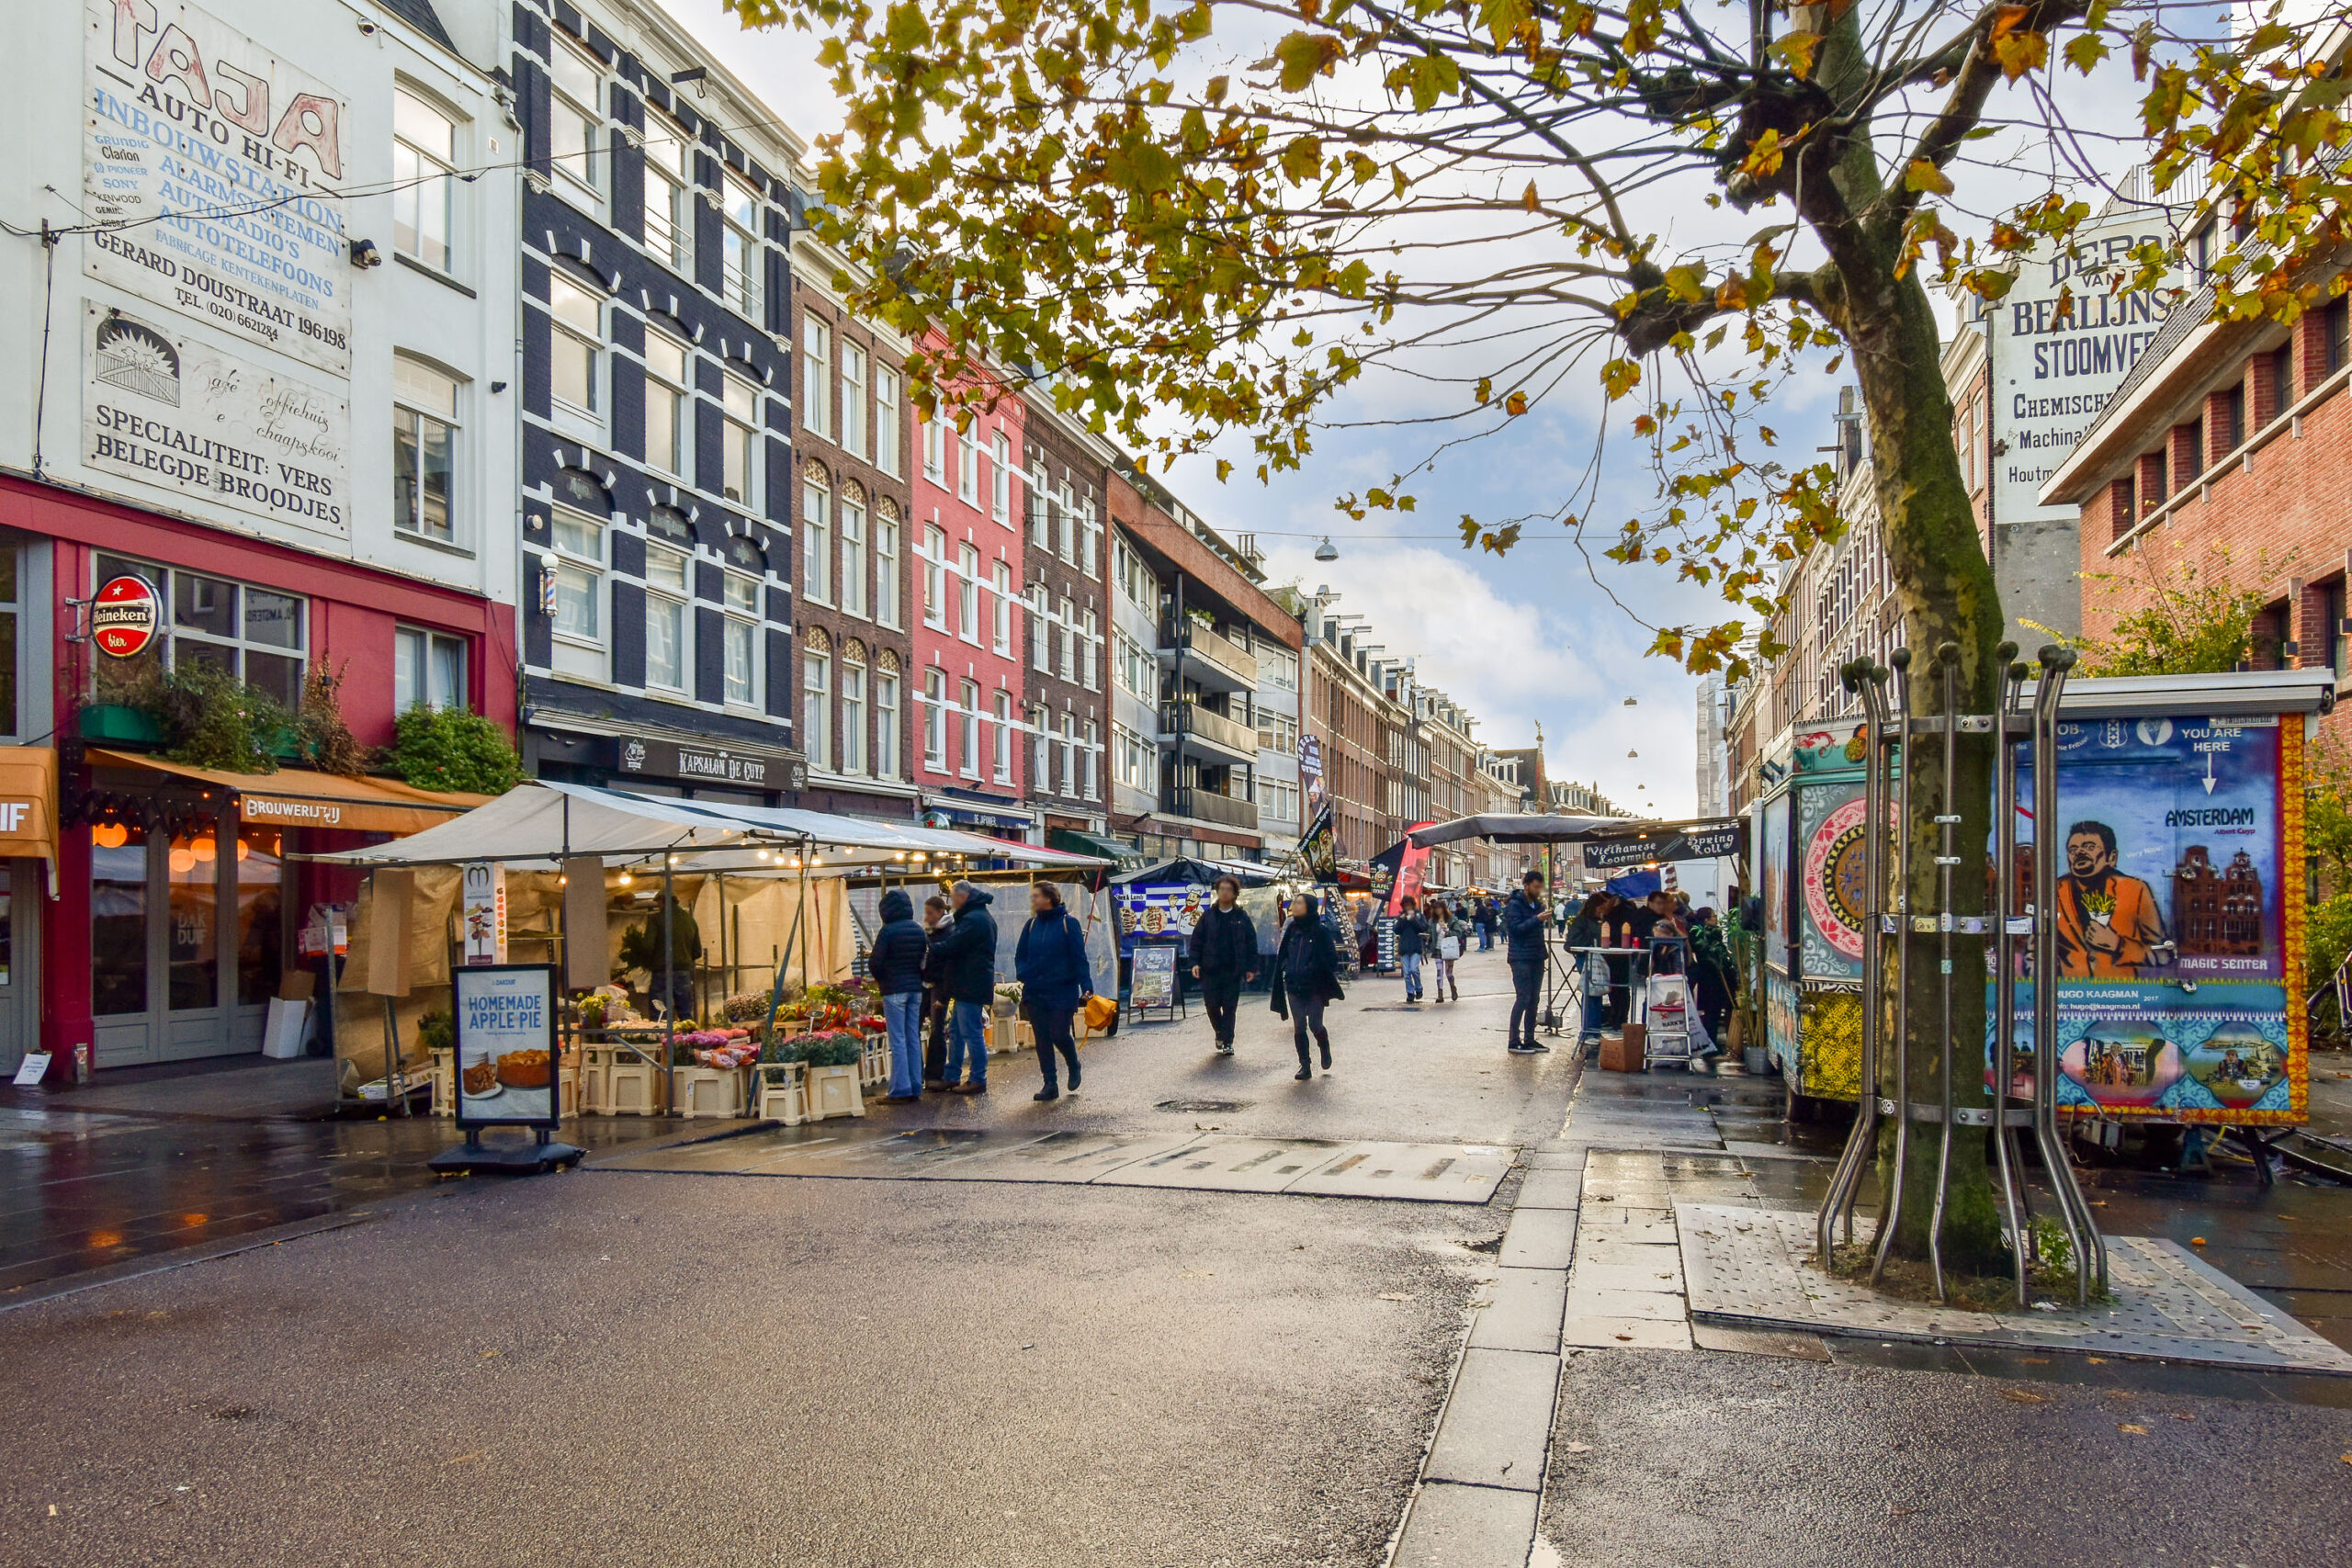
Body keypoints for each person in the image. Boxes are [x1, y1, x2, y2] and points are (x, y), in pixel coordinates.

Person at [2055, 819, 2171, 978]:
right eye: (2073, 849)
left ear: (2112, 857)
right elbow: (2034, 950)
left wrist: (2118, 945)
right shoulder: (2053, 891)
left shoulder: (2135, 889)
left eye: (2090, 847)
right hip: (2069, 996)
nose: (2080, 853)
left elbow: (2163, 953)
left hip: (2121, 995)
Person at [1015, 882, 1098, 1101]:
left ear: (1049, 898)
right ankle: (1049, 1083)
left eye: (1036, 896)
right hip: (1035, 990)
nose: (1033, 900)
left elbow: (1079, 957)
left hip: (1062, 989)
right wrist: (1023, 973)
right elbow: (1020, 954)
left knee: (1059, 1033)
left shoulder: (1068, 923)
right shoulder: (1031, 925)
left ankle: (1073, 1063)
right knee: (1042, 1038)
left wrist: (1086, 986)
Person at [931, 880, 999, 1093]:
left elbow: (954, 945)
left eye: (952, 898)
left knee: (971, 1032)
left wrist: (929, 948)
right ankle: (952, 1075)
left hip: (970, 982)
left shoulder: (974, 920)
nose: (951, 903)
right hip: (969, 982)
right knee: (958, 1032)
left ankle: (978, 1078)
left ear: (962, 897)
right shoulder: (979, 916)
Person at [1270, 892, 1345, 1079]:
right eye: (1295, 903)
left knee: (1315, 1024)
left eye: (1299, 903)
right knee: (1299, 1026)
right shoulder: (1292, 929)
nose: (1295, 905)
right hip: (1294, 985)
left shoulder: (1320, 931)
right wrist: (1287, 968)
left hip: (1315, 987)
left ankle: (1324, 1045)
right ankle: (1305, 1065)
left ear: (1309, 906)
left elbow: (1331, 958)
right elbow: (1284, 953)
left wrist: (1315, 969)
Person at [868, 889, 932, 1101]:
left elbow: (875, 962)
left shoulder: (887, 932)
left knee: (898, 1039)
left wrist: (882, 980)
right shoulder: (918, 929)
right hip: (915, 989)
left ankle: (900, 1089)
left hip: (894, 989)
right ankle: (915, 1084)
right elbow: (925, 958)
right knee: (912, 1036)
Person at [1187, 874, 1258, 1055]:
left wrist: (1251, 967)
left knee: (1229, 1006)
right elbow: (1197, 940)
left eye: (1228, 889)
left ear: (1234, 893)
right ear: (1217, 892)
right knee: (1211, 1005)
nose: (1224, 893)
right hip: (1210, 969)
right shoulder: (1208, 916)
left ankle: (1228, 1041)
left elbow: (1251, 942)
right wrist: (1194, 962)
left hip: (1233, 970)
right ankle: (1219, 1031)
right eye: (1221, 889)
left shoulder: (1241, 916)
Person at [1501, 870, 1552, 1054]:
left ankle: (1529, 1038)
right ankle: (1513, 1040)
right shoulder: (1514, 905)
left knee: (1534, 1000)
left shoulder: (1537, 904)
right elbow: (1515, 930)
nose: (1539, 890)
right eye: (1536, 887)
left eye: (1541, 887)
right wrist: (1537, 919)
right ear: (1526, 886)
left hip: (1536, 956)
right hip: (1520, 957)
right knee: (1523, 998)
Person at [1563, 892, 1617, 1044]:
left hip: (1596, 957)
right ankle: (1588, 1031)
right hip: (1586, 957)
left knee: (1596, 993)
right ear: (1597, 906)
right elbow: (1571, 942)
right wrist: (1591, 943)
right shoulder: (1584, 920)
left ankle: (1594, 1029)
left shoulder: (1599, 920)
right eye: (1603, 906)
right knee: (1591, 993)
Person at [1688, 907, 1737, 1046]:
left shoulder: (1703, 934)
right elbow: (1710, 954)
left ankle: (1711, 1042)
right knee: (1713, 1011)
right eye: (1714, 916)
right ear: (1706, 920)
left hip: (1709, 976)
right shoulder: (1706, 935)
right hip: (1713, 976)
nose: (1716, 919)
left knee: (1712, 1011)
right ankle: (1711, 1042)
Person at [919, 894, 954, 1089]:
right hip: (926, 983)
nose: (927, 916)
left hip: (939, 985)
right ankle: (924, 1073)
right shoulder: (929, 931)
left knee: (937, 1029)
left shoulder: (948, 932)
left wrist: (942, 994)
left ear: (941, 912)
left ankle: (934, 1073)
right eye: (926, 912)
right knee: (929, 1028)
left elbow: (947, 964)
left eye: (930, 912)